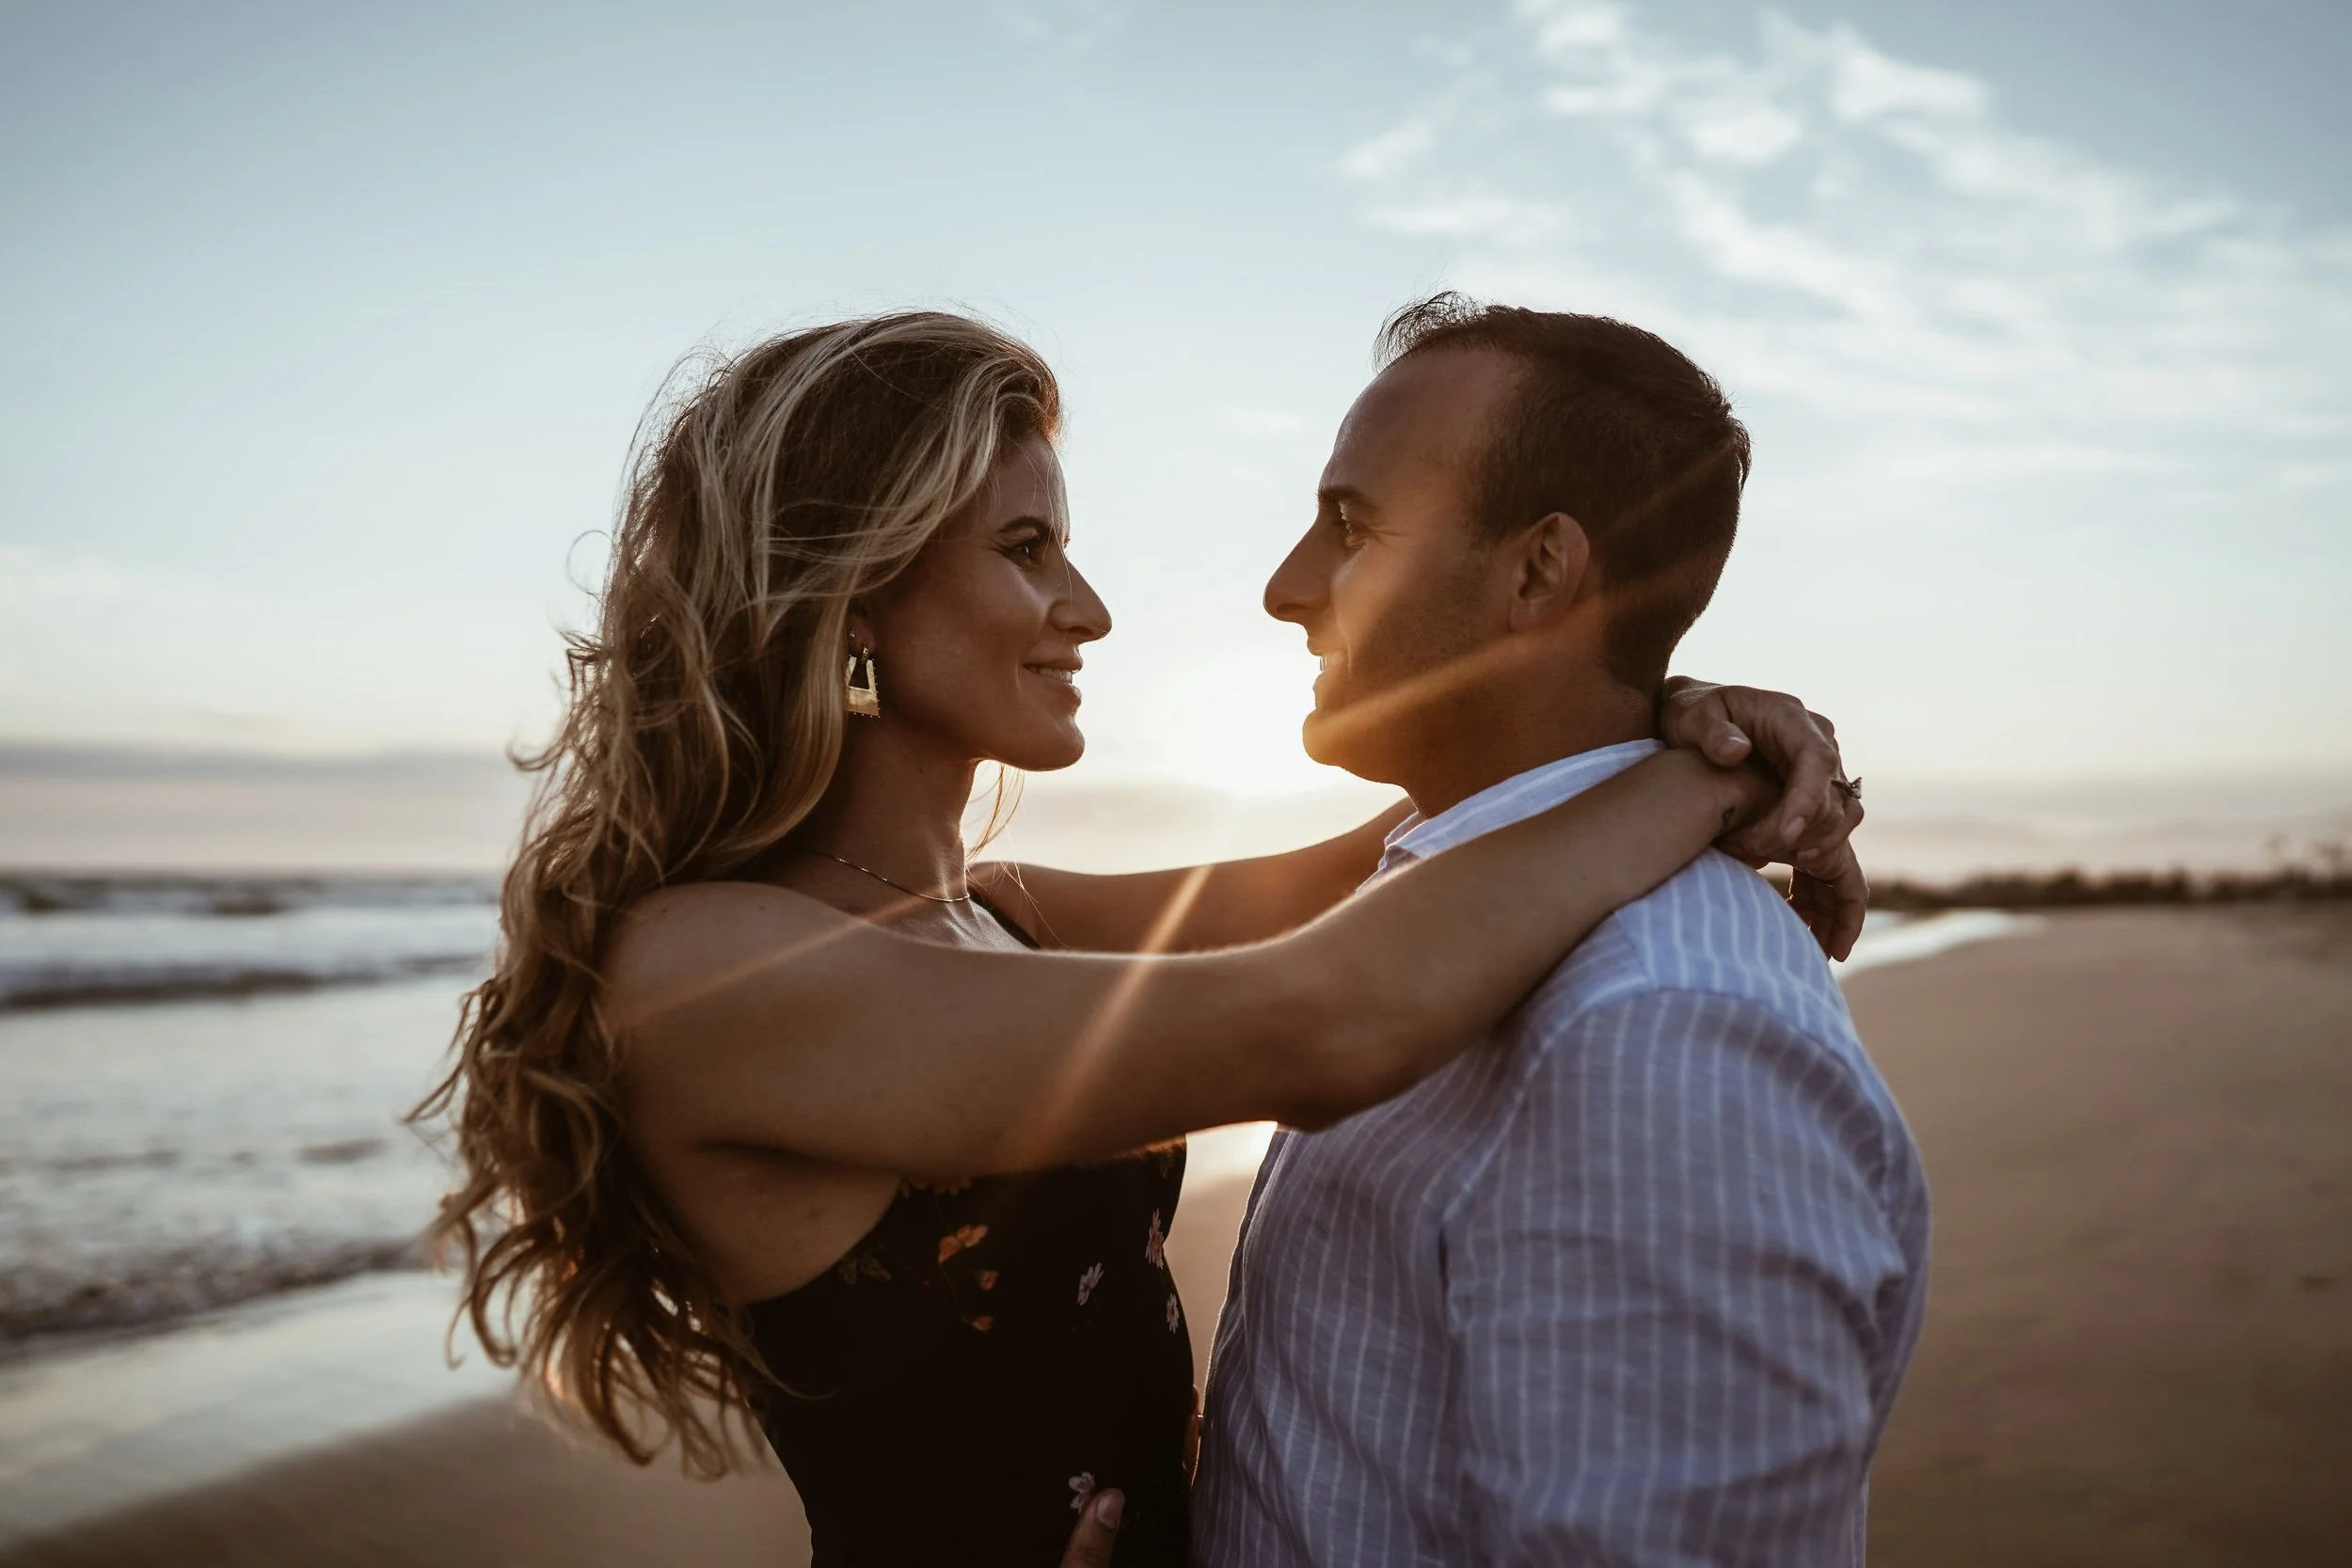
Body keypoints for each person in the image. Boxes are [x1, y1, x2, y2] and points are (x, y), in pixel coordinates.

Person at [415, 309, 1865, 1568]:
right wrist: (1698, 780)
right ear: (853, 590)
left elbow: (1419, 848)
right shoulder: (715, 974)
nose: (1088, 608)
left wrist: (1673, 707)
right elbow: (1325, 1016)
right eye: (1026, 548)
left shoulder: (995, 915)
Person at [1191, 295, 1929, 1566]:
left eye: (1350, 527)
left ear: (1538, 570)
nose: (1284, 587)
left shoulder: (1664, 1036)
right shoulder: (1428, 887)